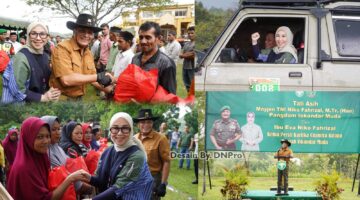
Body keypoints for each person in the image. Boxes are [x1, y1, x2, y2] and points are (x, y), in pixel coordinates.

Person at [6, 117, 88, 200]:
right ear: (28, 138)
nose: (46, 141)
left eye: (48, 136)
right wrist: (70, 179)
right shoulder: (24, 168)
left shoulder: (42, 158)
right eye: (40, 137)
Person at [82, 112, 153, 199]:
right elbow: (102, 181)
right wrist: (89, 177)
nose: (119, 133)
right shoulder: (107, 151)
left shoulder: (137, 156)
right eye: (115, 128)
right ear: (110, 130)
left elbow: (118, 188)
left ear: (131, 130)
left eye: (125, 128)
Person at [49, 13, 115, 100]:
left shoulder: (88, 53)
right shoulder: (62, 48)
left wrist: (112, 90)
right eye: (82, 31)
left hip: (79, 98)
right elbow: (66, 80)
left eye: (90, 32)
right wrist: (99, 76)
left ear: (93, 35)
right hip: (61, 99)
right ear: (75, 31)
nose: (86, 35)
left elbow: (92, 79)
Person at [13, 21, 61, 102]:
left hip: (42, 106)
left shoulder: (45, 55)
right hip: (25, 108)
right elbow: (17, 89)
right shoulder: (21, 57)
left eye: (42, 34)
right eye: (34, 33)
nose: (38, 38)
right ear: (28, 35)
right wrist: (43, 98)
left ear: (46, 37)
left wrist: (53, 92)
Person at [134, 109, 170, 200]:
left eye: (149, 122)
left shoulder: (161, 139)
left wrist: (163, 184)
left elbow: (166, 161)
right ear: (138, 124)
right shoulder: (134, 138)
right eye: (142, 122)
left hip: (152, 179)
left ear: (152, 123)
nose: (146, 125)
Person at [131, 22, 177, 95]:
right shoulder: (135, 58)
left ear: (158, 39)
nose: (143, 41)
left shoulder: (167, 63)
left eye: (148, 37)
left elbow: (170, 96)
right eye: (141, 37)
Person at [179, 26, 195, 92]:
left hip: (193, 67)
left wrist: (184, 55)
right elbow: (181, 54)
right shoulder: (186, 44)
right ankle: (189, 98)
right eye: (189, 33)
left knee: (193, 84)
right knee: (187, 84)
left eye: (192, 33)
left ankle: (193, 99)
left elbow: (193, 55)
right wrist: (187, 54)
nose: (190, 35)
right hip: (185, 66)